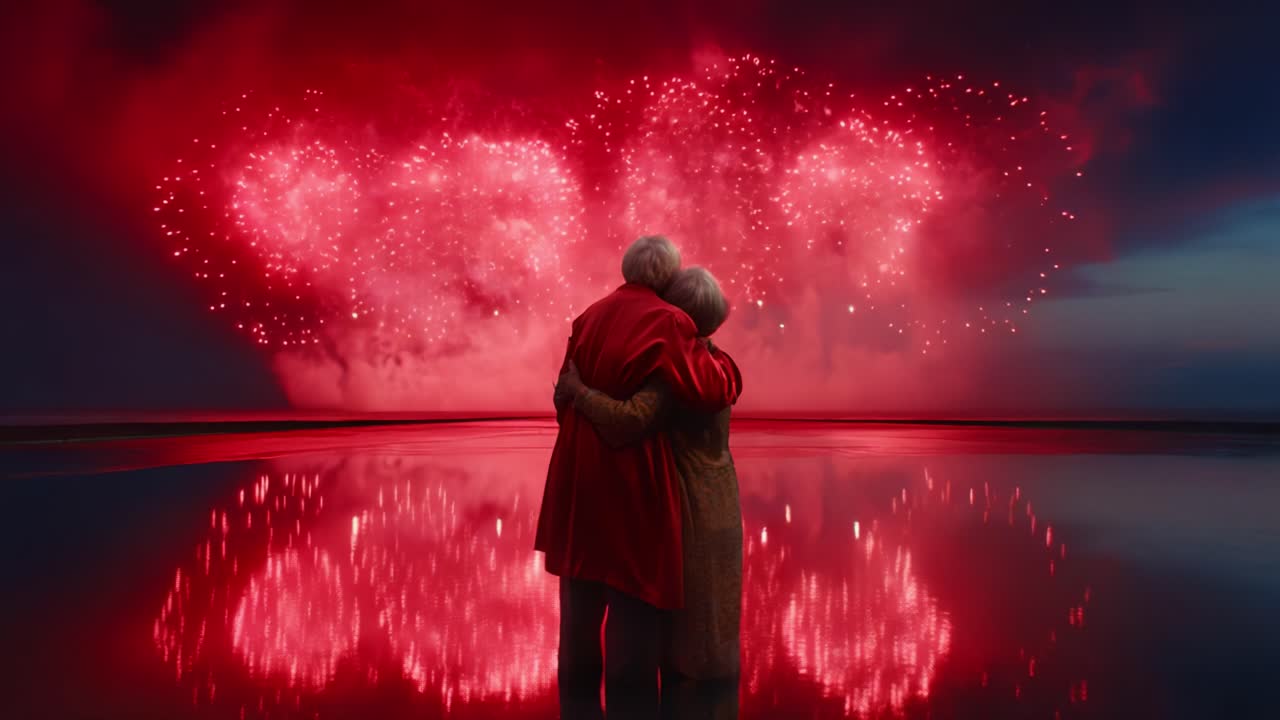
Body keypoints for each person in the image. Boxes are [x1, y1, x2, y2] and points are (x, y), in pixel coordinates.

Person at [536, 238, 742, 719]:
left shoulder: (588, 316)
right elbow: (710, 388)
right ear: (666, 277)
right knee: (632, 608)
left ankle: (578, 704)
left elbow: (562, 404)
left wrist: (581, 404)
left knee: (579, 609)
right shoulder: (667, 321)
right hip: (630, 484)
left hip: (573, 477)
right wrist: (727, 368)